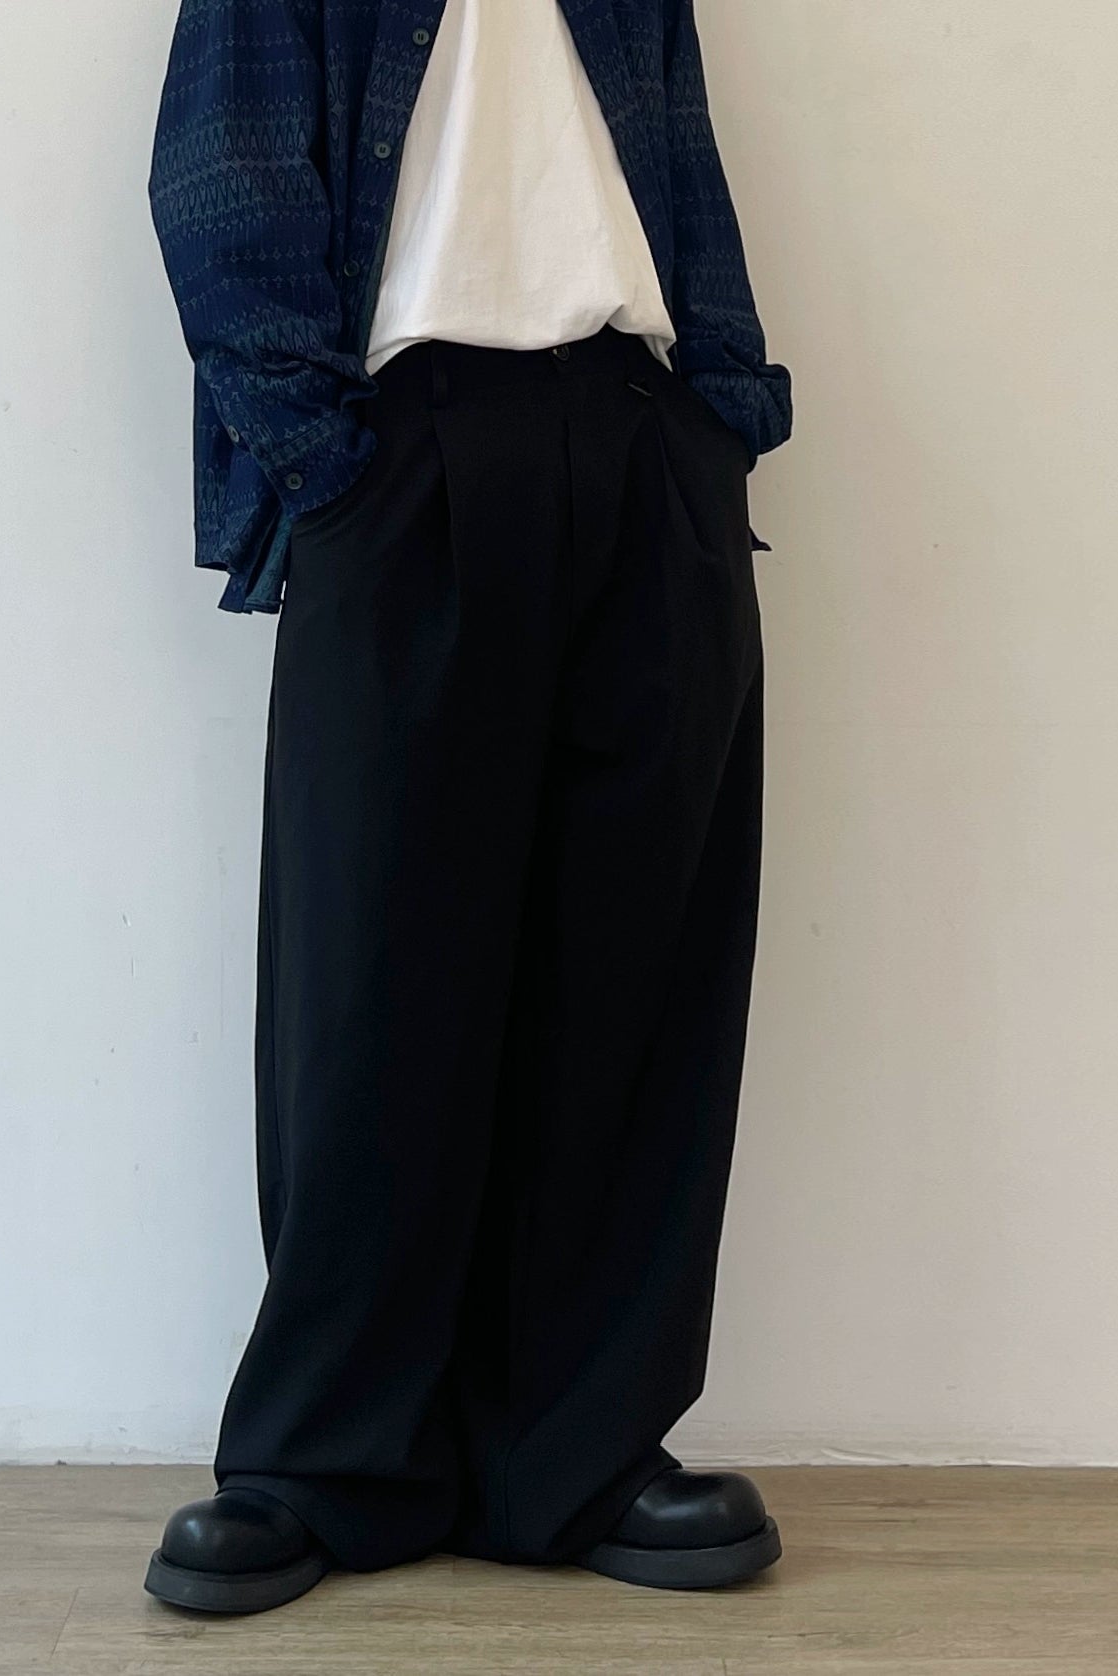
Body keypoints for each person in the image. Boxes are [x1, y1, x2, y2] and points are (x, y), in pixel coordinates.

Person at [142, 0, 792, 1615]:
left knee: (632, 978)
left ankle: (575, 1454)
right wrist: (324, 465)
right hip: (401, 451)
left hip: (642, 440)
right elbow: (221, 183)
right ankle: (323, 1462)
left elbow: (677, 160)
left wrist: (718, 419)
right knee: (372, 984)